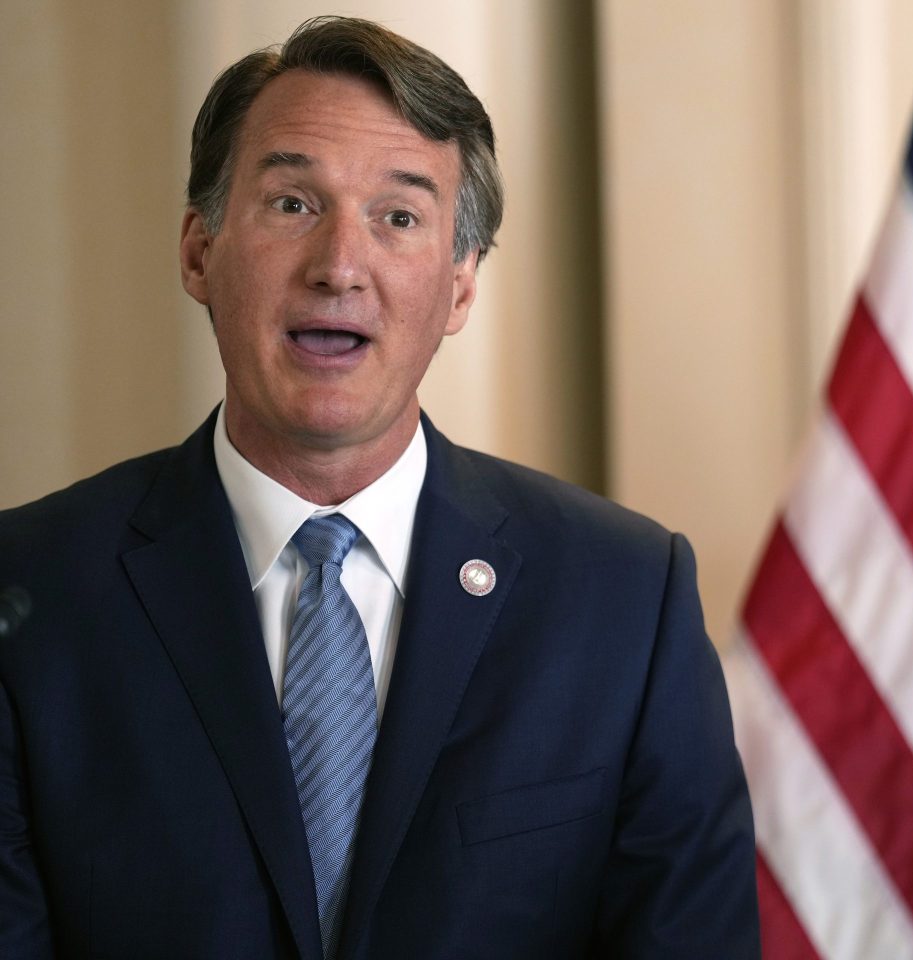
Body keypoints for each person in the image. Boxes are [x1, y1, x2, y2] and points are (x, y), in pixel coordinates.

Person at [0, 16, 758, 959]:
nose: (340, 267)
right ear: (199, 251)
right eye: (291, 204)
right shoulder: (31, 593)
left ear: (460, 284)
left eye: (399, 217)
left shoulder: (625, 597)